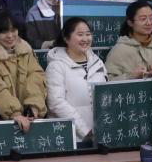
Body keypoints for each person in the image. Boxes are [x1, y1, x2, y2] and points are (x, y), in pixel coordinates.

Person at [0, 9, 47, 132]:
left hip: (31, 118)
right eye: (4, 32)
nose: (10, 36)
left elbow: (36, 77)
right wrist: (14, 113)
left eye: (13, 30)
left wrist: (34, 105)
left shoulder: (26, 51)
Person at [45, 17, 108, 145]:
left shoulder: (97, 62)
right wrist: (85, 131)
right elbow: (56, 102)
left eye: (88, 34)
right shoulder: (56, 66)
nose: (85, 39)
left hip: (100, 135)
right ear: (66, 38)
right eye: (80, 35)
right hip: (72, 137)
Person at [105, 0, 152, 80]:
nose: (149, 23)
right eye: (143, 19)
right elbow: (108, 81)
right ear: (130, 22)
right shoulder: (119, 50)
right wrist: (131, 76)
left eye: (151, 18)